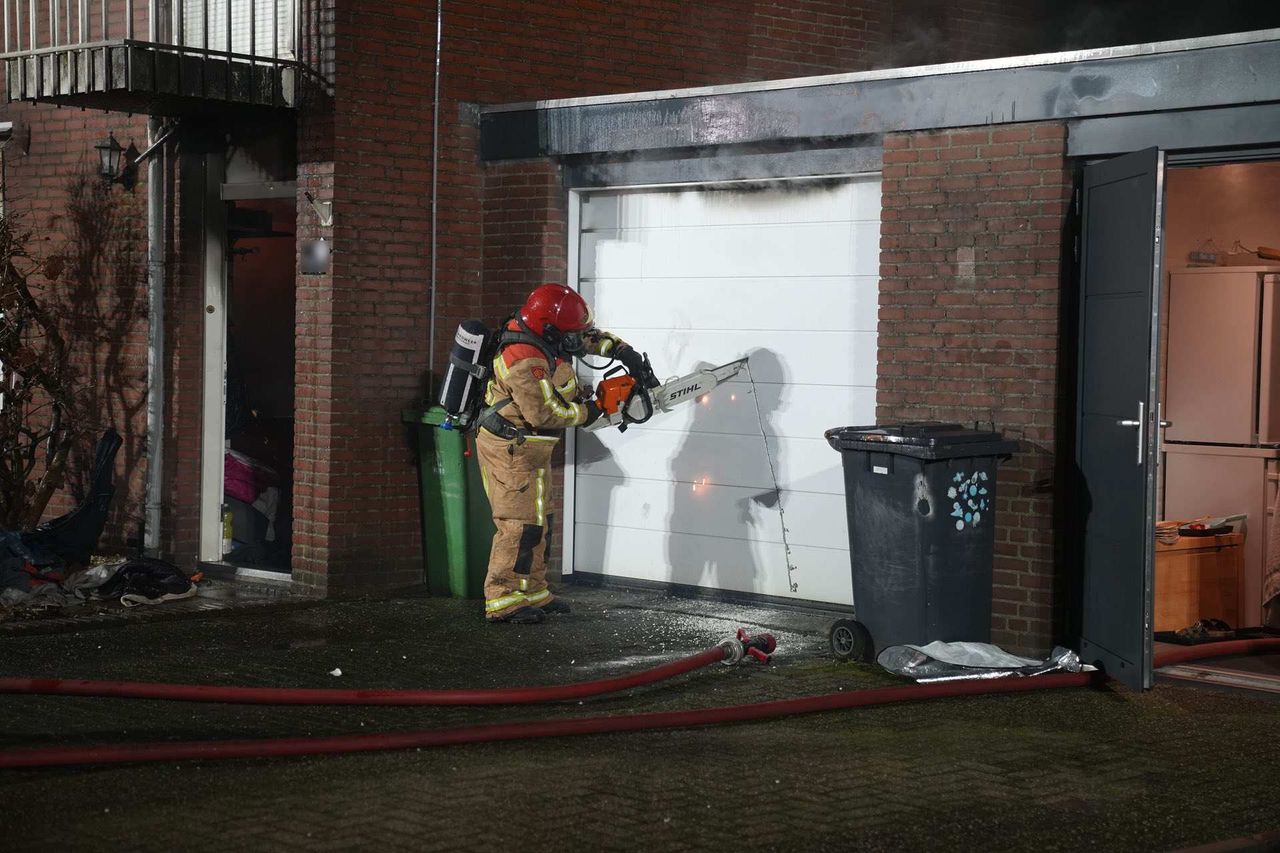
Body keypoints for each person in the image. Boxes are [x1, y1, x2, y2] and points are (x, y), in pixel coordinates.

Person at [475, 283, 652, 624]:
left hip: (532, 448)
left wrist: (625, 353)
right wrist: (594, 411)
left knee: (540, 520)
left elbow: (585, 338)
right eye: (570, 332)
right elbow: (546, 412)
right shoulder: (522, 358)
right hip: (510, 449)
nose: (577, 339)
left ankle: (533, 589)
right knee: (517, 524)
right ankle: (503, 598)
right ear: (550, 327)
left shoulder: (548, 334)